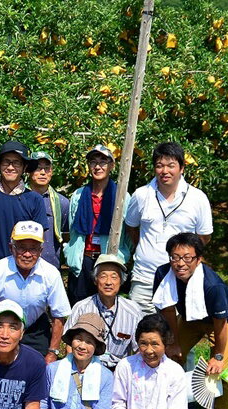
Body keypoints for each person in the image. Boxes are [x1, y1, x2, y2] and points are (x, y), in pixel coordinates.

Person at [153, 232, 228, 409]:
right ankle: (171, 407)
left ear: (198, 259)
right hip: (191, 317)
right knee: (169, 357)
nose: (180, 263)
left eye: (187, 258)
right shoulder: (163, 274)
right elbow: (167, 311)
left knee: (217, 369)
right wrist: (173, 343)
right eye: (175, 257)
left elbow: (220, 325)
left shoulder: (213, 286)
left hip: (225, 321)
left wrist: (218, 356)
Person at [126, 142, 213, 313]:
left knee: (175, 334)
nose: (164, 171)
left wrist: (185, 259)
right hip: (144, 277)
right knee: (140, 331)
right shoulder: (141, 195)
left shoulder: (197, 198)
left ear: (181, 168)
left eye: (171, 165)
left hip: (181, 279)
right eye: (159, 166)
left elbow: (203, 237)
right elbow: (132, 228)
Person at [0, 221, 71, 359]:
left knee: (38, 368)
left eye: (34, 248)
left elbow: (59, 315)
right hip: (2, 327)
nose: (27, 254)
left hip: (34, 328)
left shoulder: (51, 274)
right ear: (11, 248)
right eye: (22, 248)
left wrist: (53, 352)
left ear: (41, 251)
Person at [64, 144, 132, 305]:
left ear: (112, 166)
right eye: (93, 162)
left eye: (103, 162)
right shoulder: (78, 195)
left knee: (107, 307)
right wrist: (71, 255)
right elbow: (73, 230)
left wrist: (123, 255)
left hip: (109, 259)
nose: (98, 166)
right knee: (79, 307)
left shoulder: (122, 197)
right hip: (83, 260)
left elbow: (129, 233)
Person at [0, 140, 48, 267]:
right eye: (6, 162)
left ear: (24, 167)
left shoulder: (34, 199)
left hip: (25, 272)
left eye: (16, 163)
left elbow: (37, 241)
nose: (10, 167)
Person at [63, 254, 144, 370]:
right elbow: (70, 345)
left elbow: (138, 349)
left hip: (120, 370)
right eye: (103, 276)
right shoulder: (81, 307)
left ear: (121, 281)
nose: (108, 282)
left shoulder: (133, 310)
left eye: (114, 277)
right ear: (95, 280)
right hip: (86, 368)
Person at [25, 151, 69, 270]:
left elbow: (65, 234)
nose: (43, 172)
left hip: (51, 266)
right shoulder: (18, 198)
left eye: (47, 168)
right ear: (28, 171)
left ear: (52, 172)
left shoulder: (62, 203)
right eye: (38, 168)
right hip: (22, 263)